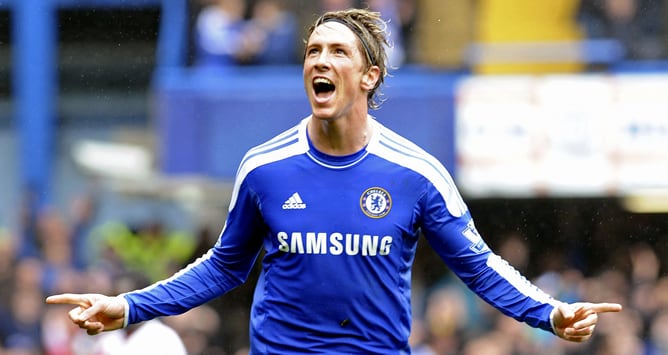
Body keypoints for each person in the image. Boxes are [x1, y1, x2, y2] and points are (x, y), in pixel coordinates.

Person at [46, 8, 622, 354]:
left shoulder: (417, 173)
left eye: (337, 52)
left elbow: (477, 264)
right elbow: (224, 265)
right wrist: (128, 307)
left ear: (368, 75)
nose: (319, 61)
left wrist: (549, 312)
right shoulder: (264, 167)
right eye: (313, 50)